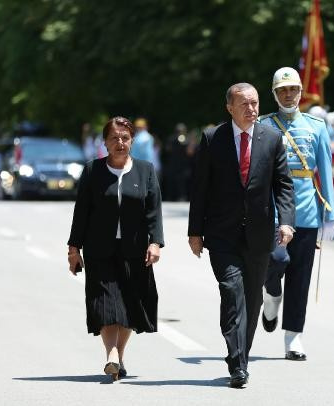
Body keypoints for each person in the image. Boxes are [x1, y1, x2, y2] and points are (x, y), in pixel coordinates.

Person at [188, 82, 295, 388]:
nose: (251, 109)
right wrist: (195, 231)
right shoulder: (213, 138)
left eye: (255, 103)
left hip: (260, 234)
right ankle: (237, 363)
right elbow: (201, 187)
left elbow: (283, 184)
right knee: (231, 292)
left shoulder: (272, 138)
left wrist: (286, 221)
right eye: (244, 104)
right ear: (230, 108)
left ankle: (241, 356)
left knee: (252, 298)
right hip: (221, 234)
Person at [67, 116, 164, 381]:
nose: (119, 143)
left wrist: (155, 242)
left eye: (124, 138)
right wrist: (73, 248)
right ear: (105, 142)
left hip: (135, 250)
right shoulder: (92, 171)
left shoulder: (145, 170)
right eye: (114, 138)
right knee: (107, 306)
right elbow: (81, 212)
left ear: (132, 140)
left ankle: (118, 358)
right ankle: (110, 355)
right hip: (99, 249)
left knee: (130, 307)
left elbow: (154, 211)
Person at [258, 67, 334, 361]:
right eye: (282, 91)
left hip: (305, 209)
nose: (288, 95)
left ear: (301, 93)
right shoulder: (264, 125)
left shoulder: (316, 126)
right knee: (276, 259)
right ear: (275, 94)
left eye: (293, 90)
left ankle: (293, 337)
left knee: (301, 277)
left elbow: (325, 171)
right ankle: (271, 293)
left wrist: (330, 212)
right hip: (274, 206)